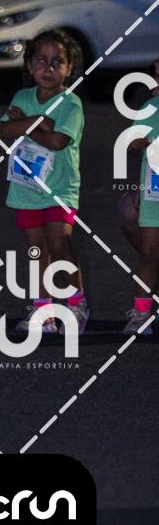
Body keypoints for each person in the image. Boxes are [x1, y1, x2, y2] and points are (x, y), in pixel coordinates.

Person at [0, 29, 87, 334]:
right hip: (27, 189)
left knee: (60, 241)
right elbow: (4, 131)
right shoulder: (22, 97)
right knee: (36, 249)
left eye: (57, 61)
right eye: (41, 60)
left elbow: (58, 141)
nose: (49, 68)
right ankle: (42, 309)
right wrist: (40, 123)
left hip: (60, 188)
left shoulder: (71, 104)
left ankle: (76, 304)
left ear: (69, 68)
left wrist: (26, 123)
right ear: (29, 65)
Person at [120, 59, 159, 336]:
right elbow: (132, 146)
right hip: (154, 191)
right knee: (149, 253)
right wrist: (135, 144)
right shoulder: (150, 108)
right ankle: (141, 313)